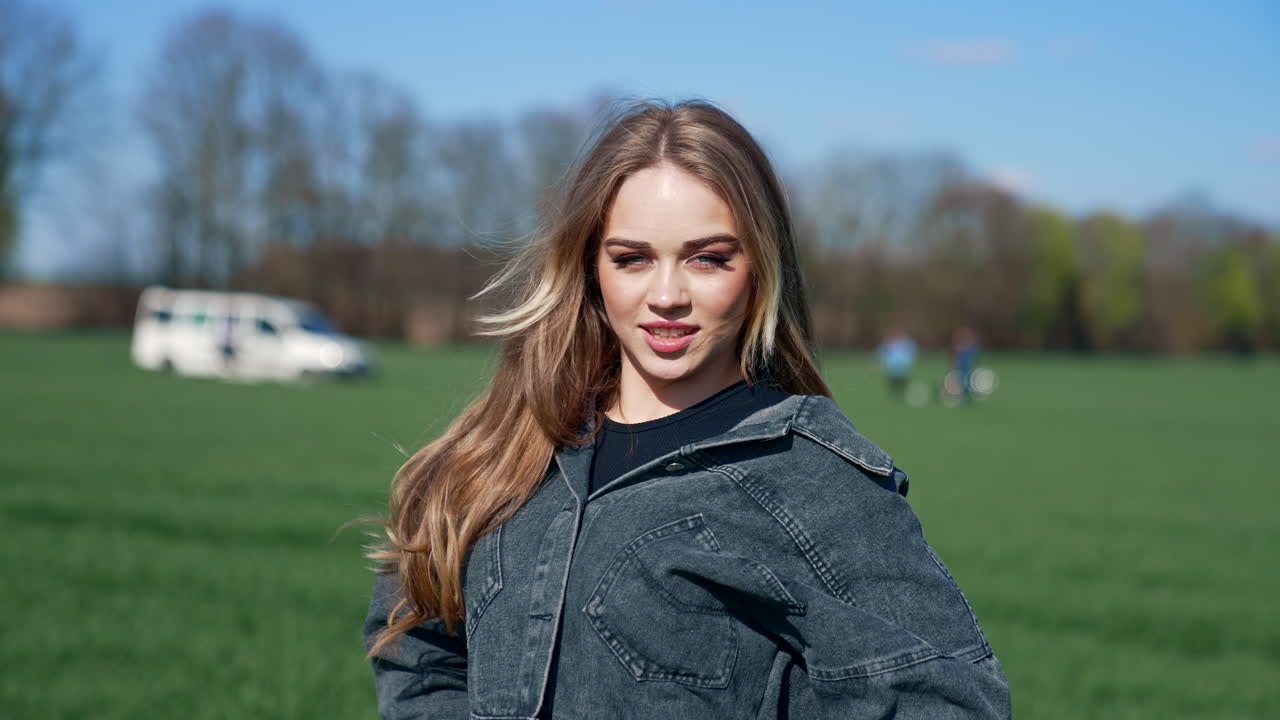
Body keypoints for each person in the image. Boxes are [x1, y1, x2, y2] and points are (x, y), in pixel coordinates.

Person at [363, 101, 1010, 719]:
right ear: (591, 267)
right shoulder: (506, 448)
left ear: (759, 268)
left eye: (707, 258)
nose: (666, 294)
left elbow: (950, 702)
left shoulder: (819, 487)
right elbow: (419, 646)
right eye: (633, 258)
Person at [877, 326, 917, 399]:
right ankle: (893, 396)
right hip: (892, 368)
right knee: (893, 384)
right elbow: (881, 352)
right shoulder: (888, 342)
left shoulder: (907, 342)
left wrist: (910, 362)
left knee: (902, 384)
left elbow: (912, 352)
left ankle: (902, 395)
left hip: (903, 367)